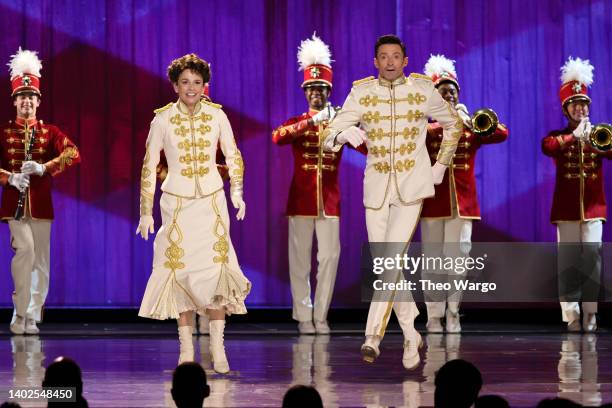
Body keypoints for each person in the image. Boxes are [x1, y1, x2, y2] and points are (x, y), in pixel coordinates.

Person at [323, 34, 462, 369]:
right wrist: (341, 135)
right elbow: (328, 134)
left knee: (387, 261)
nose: (389, 62)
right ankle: (411, 331)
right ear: (375, 61)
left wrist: (440, 166)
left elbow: (453, 124)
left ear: (405, 59)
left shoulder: (422, 89)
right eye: (383, 56)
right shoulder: (361, 92)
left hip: (412, 188)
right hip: (377, 188)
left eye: (395, 56)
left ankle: (372, 336)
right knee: (385, 263)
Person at [136, 53, 250, 373]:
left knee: (216, 272)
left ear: (205, 86)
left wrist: (237, 192)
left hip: (212, 203)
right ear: (175, 85)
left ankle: (217, 346)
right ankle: (186, 348)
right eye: (185, 82)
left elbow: (233, 155)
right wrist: (146, 211)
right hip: (176, 204)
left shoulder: (217, 116)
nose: (191, 88)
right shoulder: (161, 119)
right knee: (180, 273)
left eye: (197, 83)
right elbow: (148, 166)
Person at [272, 34, 365, 334]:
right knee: (300, 261)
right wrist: (312, 122)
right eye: (311, 89)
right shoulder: (298, 120)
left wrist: (353, 125)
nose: (316, 94)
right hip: (300, 200)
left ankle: (321, 315)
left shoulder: (339, 121)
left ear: (328, 91)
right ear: (305, 93)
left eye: (321, 89)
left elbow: (365, 149)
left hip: (330, 201)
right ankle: (303, 316)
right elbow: (278, 137)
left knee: (329, 259)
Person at [420, 55, 508, 333]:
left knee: (458, 260)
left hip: (463, 204)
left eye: (453, 92)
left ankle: (454, 312)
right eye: (444, 92)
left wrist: (468, 122)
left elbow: (501, 133)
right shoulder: (427, 130)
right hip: (433, 203)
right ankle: (434, 316)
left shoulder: (469, 129)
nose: (449, 95)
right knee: (433, 261)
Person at [0, 48, 81, 335]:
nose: (26, 102)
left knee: (41, 262)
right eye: (21, 97)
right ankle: (19, 311)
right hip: (14, 205)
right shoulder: (4, 131)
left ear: (38, 101)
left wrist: (45, 167)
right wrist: (9, 178)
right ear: (15, 101)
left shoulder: (50, 132)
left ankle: (32, 315)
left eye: (31, 97)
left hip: (42, 206)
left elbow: (73, 153)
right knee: (25, 252)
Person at [542, 57, 610, 333]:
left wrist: (592, 137)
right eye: (575, 104)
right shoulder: (557, 137)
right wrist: (574, 137)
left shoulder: (598, 135)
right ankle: (571, 314)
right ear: (566, 109)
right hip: (566, 209)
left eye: (584, 103)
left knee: (592, 259)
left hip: (594, 208)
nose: (580, 108)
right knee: (568, 261)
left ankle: (591, 312)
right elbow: (548, 147)